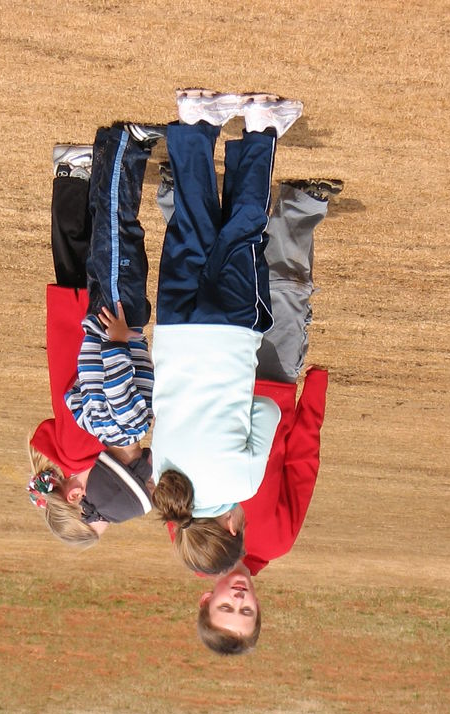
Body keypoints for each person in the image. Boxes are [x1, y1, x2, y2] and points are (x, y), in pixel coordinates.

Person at [157, 174, 338, 653]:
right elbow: (302, 466)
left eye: (225, 609)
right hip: (272, 387)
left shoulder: (187, 527)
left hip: (212, 379)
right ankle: (300, 206)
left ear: (204, 598)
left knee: (205, 290)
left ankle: (179, 195)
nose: (239, 599)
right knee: (284, 293)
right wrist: (312, 397)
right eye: (248, 612)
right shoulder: (276, 542)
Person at [150, 89, 303, 576]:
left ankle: (261, 127)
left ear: (234, 528)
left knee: (243, 232)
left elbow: (266, 409)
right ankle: (195, 122)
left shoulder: (241, 485)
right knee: (190, 227)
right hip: (174, 332)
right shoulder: (165, 481)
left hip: (232, 335)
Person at [28, 136, 156, 547]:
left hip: (85, 333)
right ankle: (84, 172)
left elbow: (91, 388)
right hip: (76, 333)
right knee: (79, 258)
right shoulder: (74, 455)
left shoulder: (82, 452)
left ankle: (73, 172)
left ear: (77, 496)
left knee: (80, 254)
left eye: (96, 514)